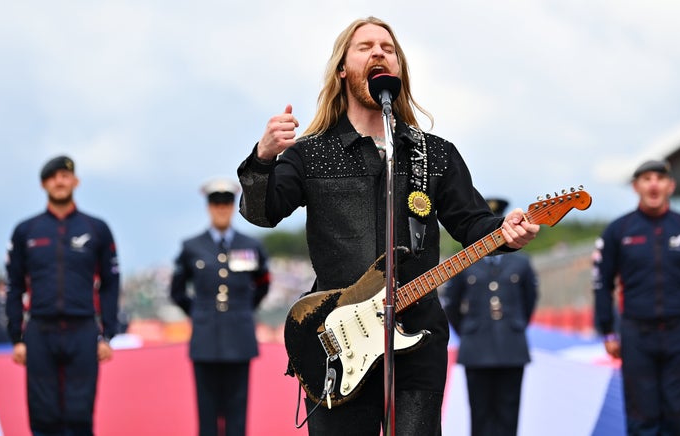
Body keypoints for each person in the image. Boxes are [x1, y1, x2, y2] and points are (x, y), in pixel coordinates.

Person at [236, 16, 540, 435]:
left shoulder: (433, 154)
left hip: (418, 335)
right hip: (336, 338)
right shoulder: (311, 153)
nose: (379, 52)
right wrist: (264, 158)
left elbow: (472, 223)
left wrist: (507, 233)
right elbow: (261, 212)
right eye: (364, 47)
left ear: (398, 70)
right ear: (342, 68)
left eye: (388, 48)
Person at [593, 159, 680, 436]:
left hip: (679, 335)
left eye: (659, 178)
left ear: (670, 186)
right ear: (636, 186)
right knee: (641, 420)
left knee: (678, 418)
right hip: (637, 335)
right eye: (646, 178)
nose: (653, 184)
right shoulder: (619, 230)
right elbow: (601, 283)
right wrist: (608, 331)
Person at [5, 155, 120, 436]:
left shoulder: (96, 229)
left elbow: (110, 283)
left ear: (75, 181)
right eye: (53, 177)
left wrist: (107, 334)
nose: (60, 181)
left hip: (82, 331)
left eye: (65, 176)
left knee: (79, 415)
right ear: (44, 183)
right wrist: (17, 338)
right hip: (40, 331)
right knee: (43, 415)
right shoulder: (26, 231)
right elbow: (14, 286)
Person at [170, 177, 271, 436]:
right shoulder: (191, 247)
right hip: (205, 340)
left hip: (239, 337)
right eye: (216, 202)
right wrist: (198, 313)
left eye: (227, 202)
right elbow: (177, 291)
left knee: (238, 414)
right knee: (207, 415)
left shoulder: (251, 246)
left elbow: (262, 284)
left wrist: (245, 309)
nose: (222, 207)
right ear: (208, 206)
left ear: (233, 204)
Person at [442, 198, 538, 436]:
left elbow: (529, 301)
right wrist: (468, 331)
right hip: (476, 348)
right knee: (480, 414)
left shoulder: (521, 262)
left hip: (511, 347)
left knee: (508, 414)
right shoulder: (464, 261)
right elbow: (451, 304)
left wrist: (514, 326)